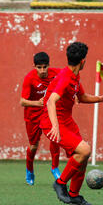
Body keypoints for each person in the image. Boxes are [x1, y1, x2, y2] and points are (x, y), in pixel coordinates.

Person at [40, 42, 103, 205]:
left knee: (83, 156)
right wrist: (55, 126)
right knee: (85, 150)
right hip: (53, 122)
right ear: (83, 61)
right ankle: (60, 183)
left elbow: (81, 97)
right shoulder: (65, 77)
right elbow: (51, 101)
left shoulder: (74, 76)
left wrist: (101, 98)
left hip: (66, 121)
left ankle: (74, 195)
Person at [20, 52, 61, 185]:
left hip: (48, 113)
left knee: (55, 137)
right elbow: (22, 101)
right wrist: (38, 103)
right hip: (32, 116)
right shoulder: (29, 78)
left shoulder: (56, 73)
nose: (42, 70)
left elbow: (69, 78)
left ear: (49, 65)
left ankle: (55, 167)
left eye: (45, 67)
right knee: (33, 146)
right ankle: (29, 170)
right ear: (34, 66)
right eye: (39, 67)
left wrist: (76, 93)